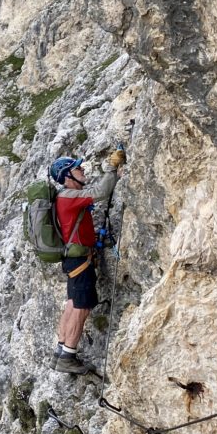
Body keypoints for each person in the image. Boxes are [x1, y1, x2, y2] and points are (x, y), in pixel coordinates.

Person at [49, 150, 126, 374]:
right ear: (67, 176)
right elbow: (101, 192)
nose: (82, 169)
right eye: (77, 168)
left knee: (73, 303)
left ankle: (61, 352)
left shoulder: (65, 197)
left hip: (74, 259)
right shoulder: (68, 197)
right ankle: (68, 356)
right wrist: (112, 168)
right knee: (81, 307)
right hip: (80, 260)